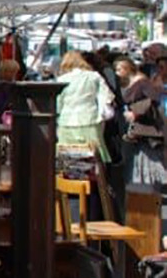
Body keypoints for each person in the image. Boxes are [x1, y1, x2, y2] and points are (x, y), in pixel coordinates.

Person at [55, 50, 115, 162]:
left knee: (68, 157)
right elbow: (107, 96)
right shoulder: (94, 76)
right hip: (90, 118)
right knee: (95, 156)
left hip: (66, 121)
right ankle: (97, 178)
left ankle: (72, 179)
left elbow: (58, 102)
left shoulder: (62, 80)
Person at [116, 57, 167, 186]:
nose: (117, 72)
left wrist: (135, 112)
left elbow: (152, 100)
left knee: (153, 157)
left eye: (119, 69)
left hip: (151, 123)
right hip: (145, 125)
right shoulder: (147, 80)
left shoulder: (142, 81)